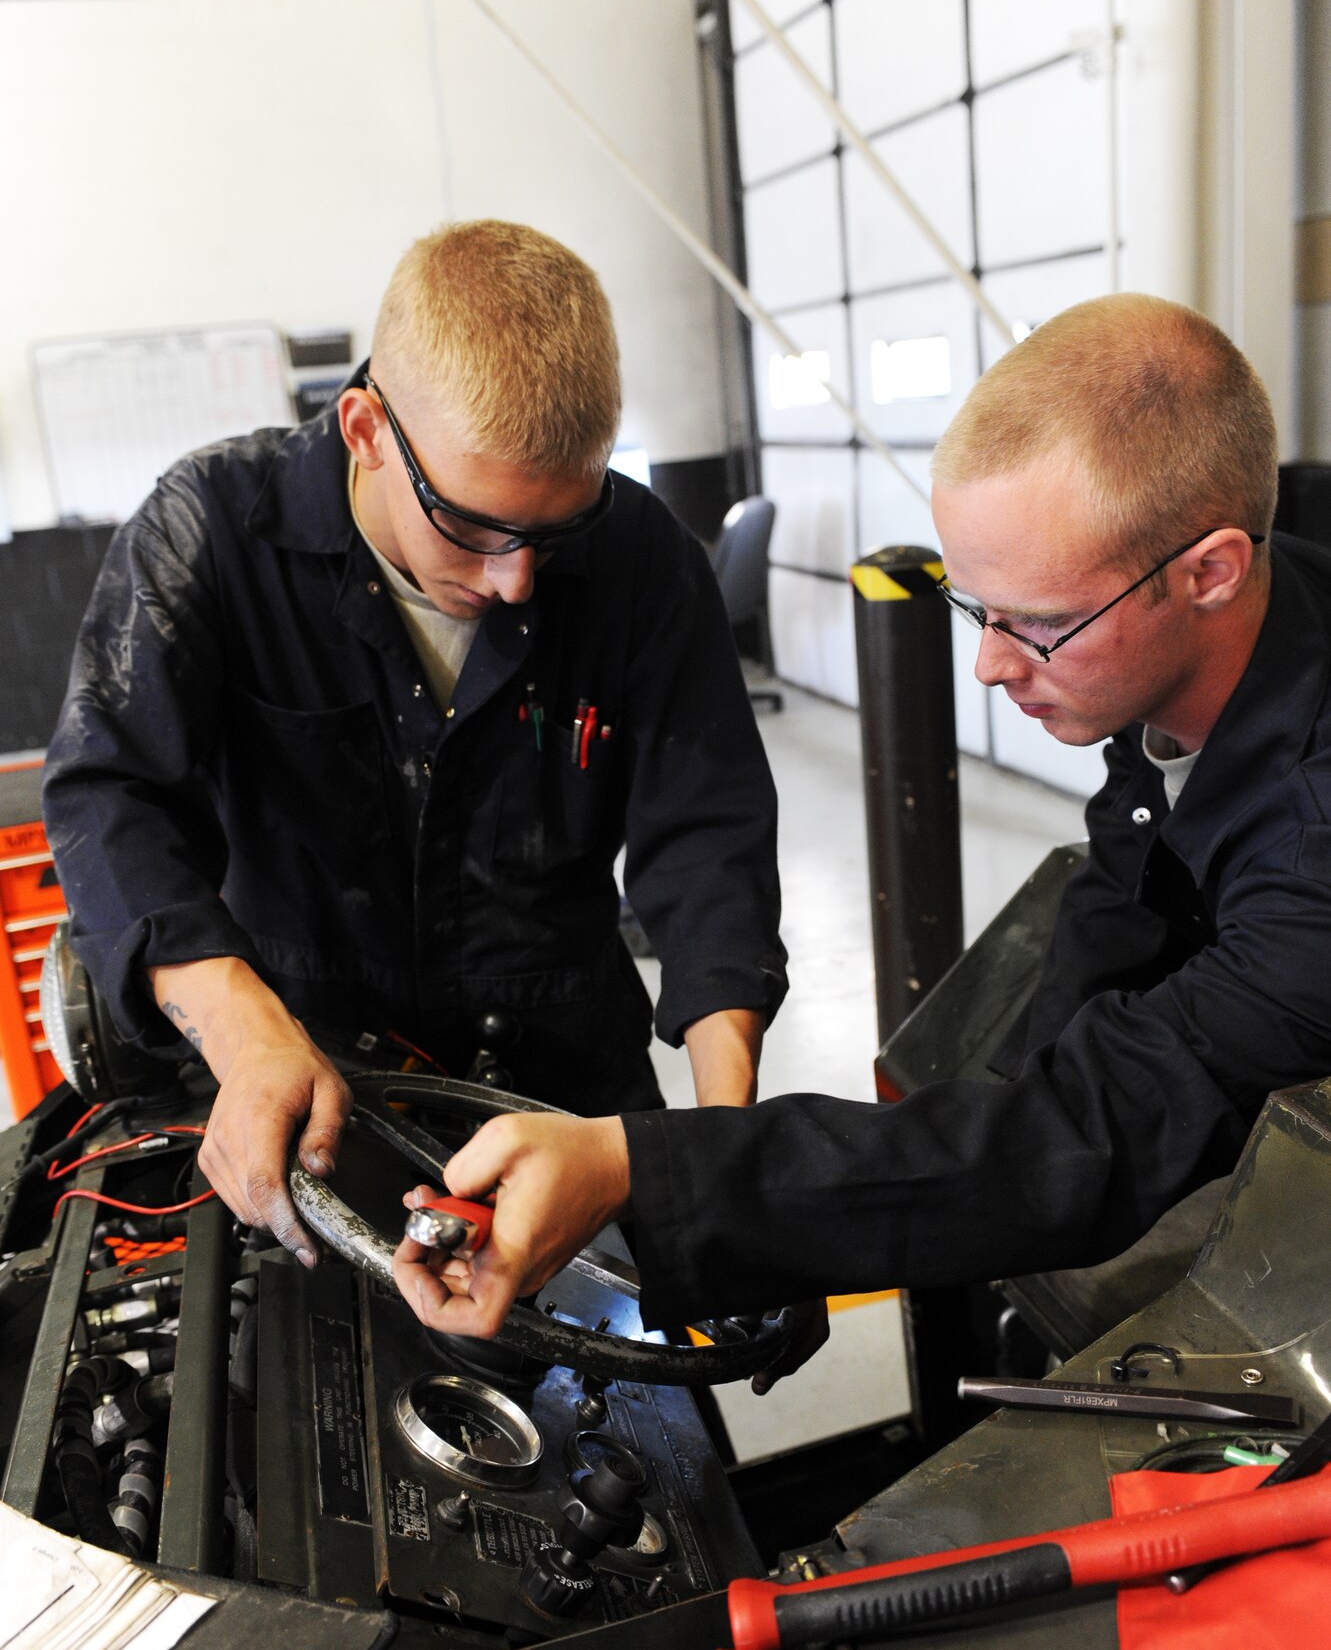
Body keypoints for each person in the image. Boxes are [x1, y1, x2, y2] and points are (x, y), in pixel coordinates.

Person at [392, 291, 1331, 1344]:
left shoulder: (1313, 848)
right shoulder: (1226, 627)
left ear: (1209, 570)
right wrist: (881, 1184)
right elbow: (1122, 903)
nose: (987, 663)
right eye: (977, 610)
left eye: (1038, 624)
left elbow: (1107, 1123)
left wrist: (647, 1175)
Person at [43, 220, 788, 1269]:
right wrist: (241, 1027)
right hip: (309, 1084)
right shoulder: (209, 531)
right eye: (475, 526)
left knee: (625, 1412)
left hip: (566, 1087)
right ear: (363, 429)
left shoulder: (640, 557)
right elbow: (109, 791)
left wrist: (723, 1142)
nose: (516, 579)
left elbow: (706, 835)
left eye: (556, 530)